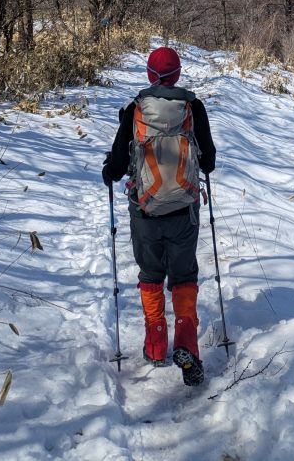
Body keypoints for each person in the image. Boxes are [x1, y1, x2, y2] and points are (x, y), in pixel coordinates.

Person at [102, 46, 216, 385]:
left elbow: (118, 166)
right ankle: (187, 344)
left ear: (150, 75)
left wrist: (109, 171)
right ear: (178, 74)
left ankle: (155, 345)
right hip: (184, 210)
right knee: (183, 276)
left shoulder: (135, 110)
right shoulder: (193, 108)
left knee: (151, 274)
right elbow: (208, 161)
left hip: (145, 211)